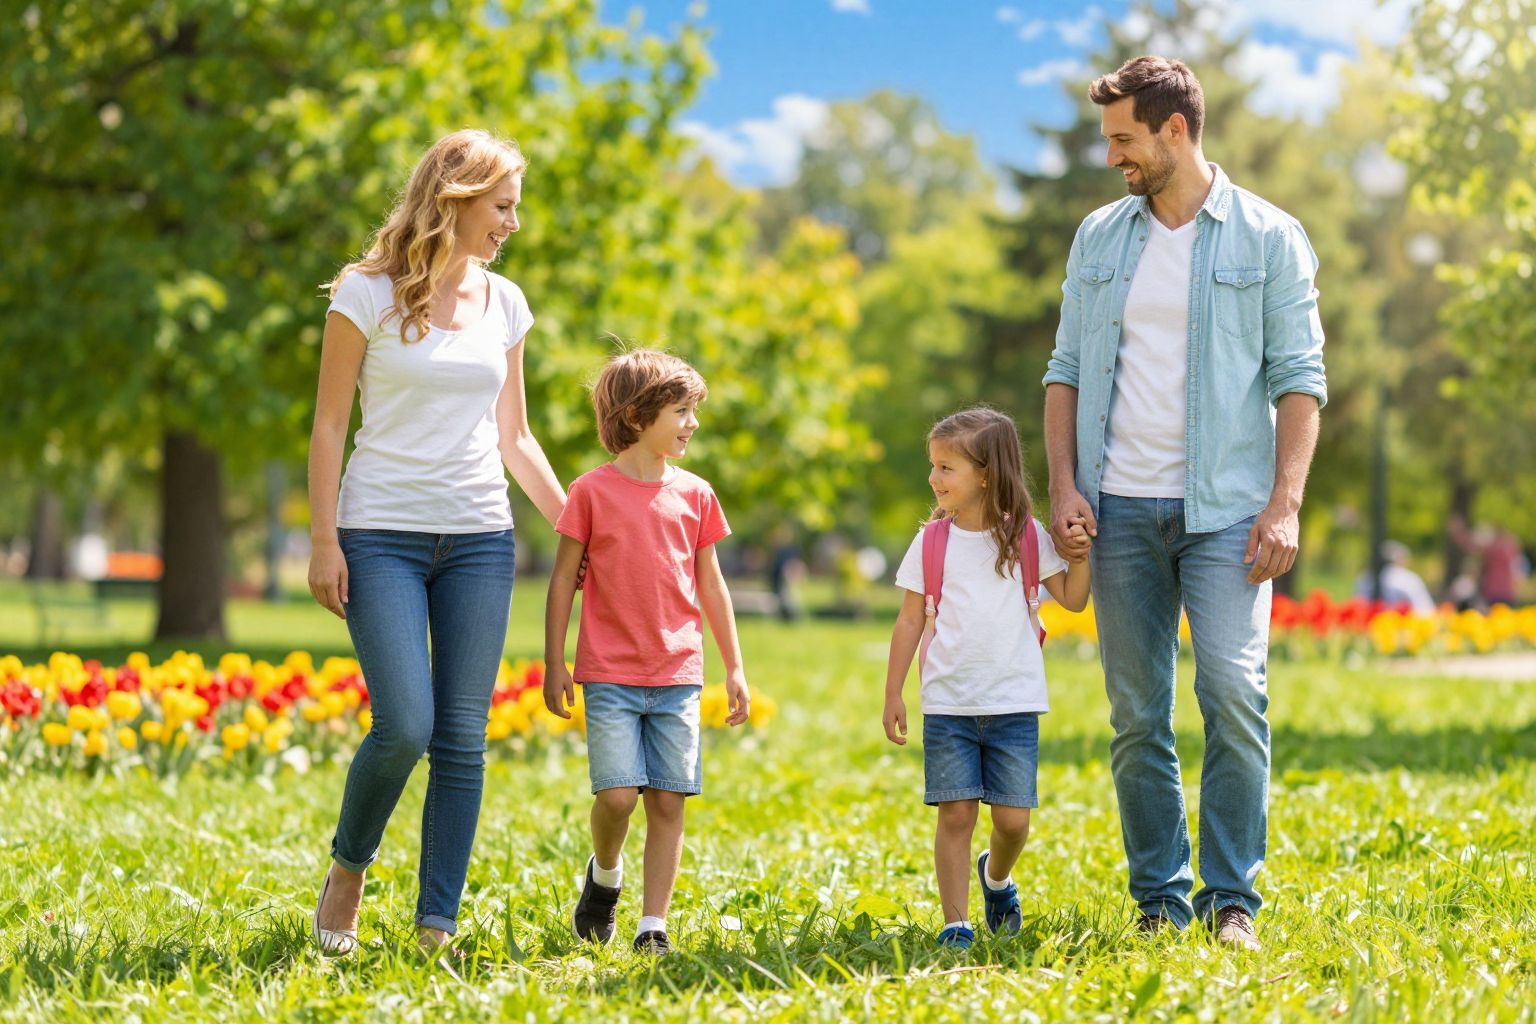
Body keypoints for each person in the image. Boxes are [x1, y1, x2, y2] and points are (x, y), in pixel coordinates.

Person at [1043, 57, 1327, 951]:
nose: (1112, 156)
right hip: (1118, 510)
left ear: (1176, 130)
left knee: (1234, 692)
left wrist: (1285, 503)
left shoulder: (1269, 237)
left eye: (1124, 139)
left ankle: (1231, 898)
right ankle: (1159, 900)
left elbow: (1300, 380)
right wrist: (1063, 485)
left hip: (1229, 511)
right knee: (1137, 716)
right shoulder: (1099, 237)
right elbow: (1065, 371)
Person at [307, 129, 569, 957]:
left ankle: (436, 927)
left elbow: (515, 437)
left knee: (462, 738)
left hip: (481, 538)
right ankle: (349, 868)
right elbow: (328, 425)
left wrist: (579, 528)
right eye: (502, 206)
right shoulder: (365, 293)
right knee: (405, 725)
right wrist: (323, 541)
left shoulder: (507, 303)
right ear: (455, 199)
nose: (513, 224)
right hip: (378, 534)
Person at [543, 348, 750, 955]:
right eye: (681, 411)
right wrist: (555, 660)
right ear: (637, 416)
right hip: (609, 672)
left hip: (678, 672)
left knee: (667, 798)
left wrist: (735, 667)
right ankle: (605, 875)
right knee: (615, 798)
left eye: (693, 411)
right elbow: (562, 579)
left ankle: (651, 924)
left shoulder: (697, 495)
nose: (693, 423)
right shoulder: (590, 492)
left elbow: (712, 585)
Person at [881, 408, 1091, 950]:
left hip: (1014, 704)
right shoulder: (932, 541)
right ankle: (956, 923)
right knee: (955, 815)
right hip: (948, 704)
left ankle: (996, 879)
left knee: (1013, 822)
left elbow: (1073, 598)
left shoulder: (1027, 537)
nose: (934, 477)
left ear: (986, 474)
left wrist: (1081, 554)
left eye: (946, 467)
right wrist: (893, 692)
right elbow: (909, 620)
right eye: (934, 465)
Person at [1353, 541, 1435, 614]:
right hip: (1403, 623)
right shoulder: (1409, 579)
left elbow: (1357, 606)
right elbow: (1425, 610)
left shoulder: (1364, 578)